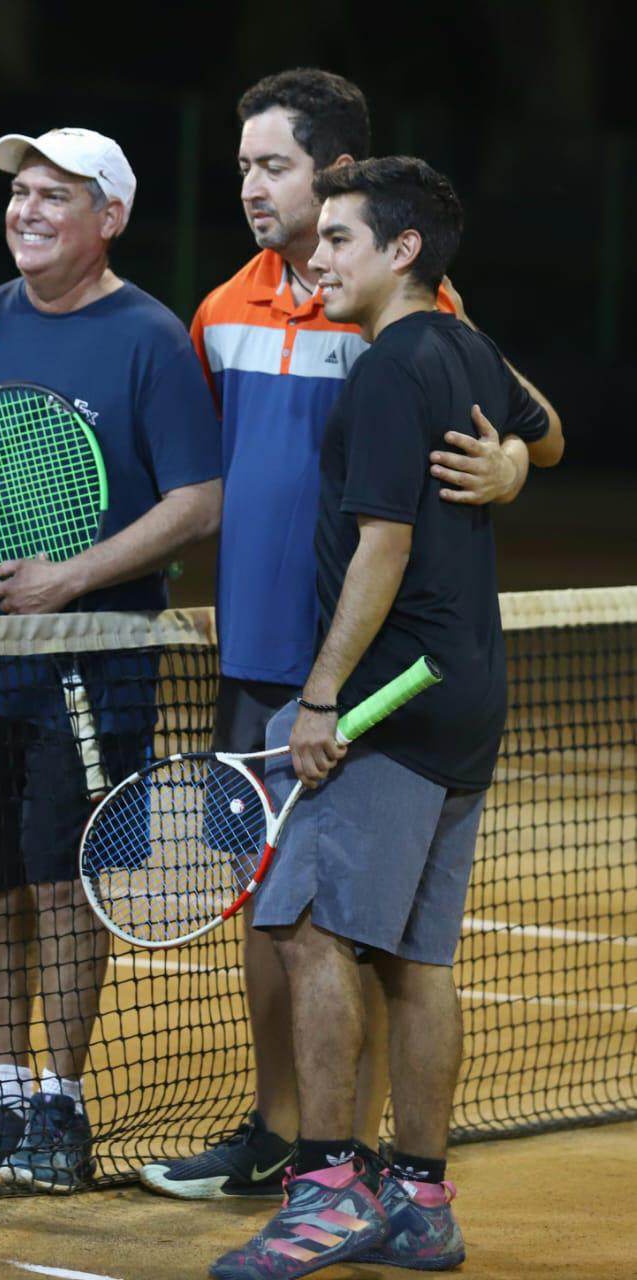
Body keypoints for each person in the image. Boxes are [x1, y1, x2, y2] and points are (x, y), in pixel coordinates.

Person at [140, 68, 562, 1203]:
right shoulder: (219, 311)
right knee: (271, 912)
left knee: (351, 927)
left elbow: (530, 428)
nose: (249, 186)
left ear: (334, 175)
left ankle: (350, 1156)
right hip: (257, 655)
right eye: (241, 165)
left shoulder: (407, 308)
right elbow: (199, 474)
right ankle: (278, 1129)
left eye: (272, 166)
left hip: (357, 666)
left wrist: (510, 466)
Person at [0, 127, 222, 1192]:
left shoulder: (149, 337)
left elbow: (198, 501)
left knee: (62, 883)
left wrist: (71, 576)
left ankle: (61, 1104)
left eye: (55, 196)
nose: (25, 210)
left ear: (108, 218)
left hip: (98, 667)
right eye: (20, 192)